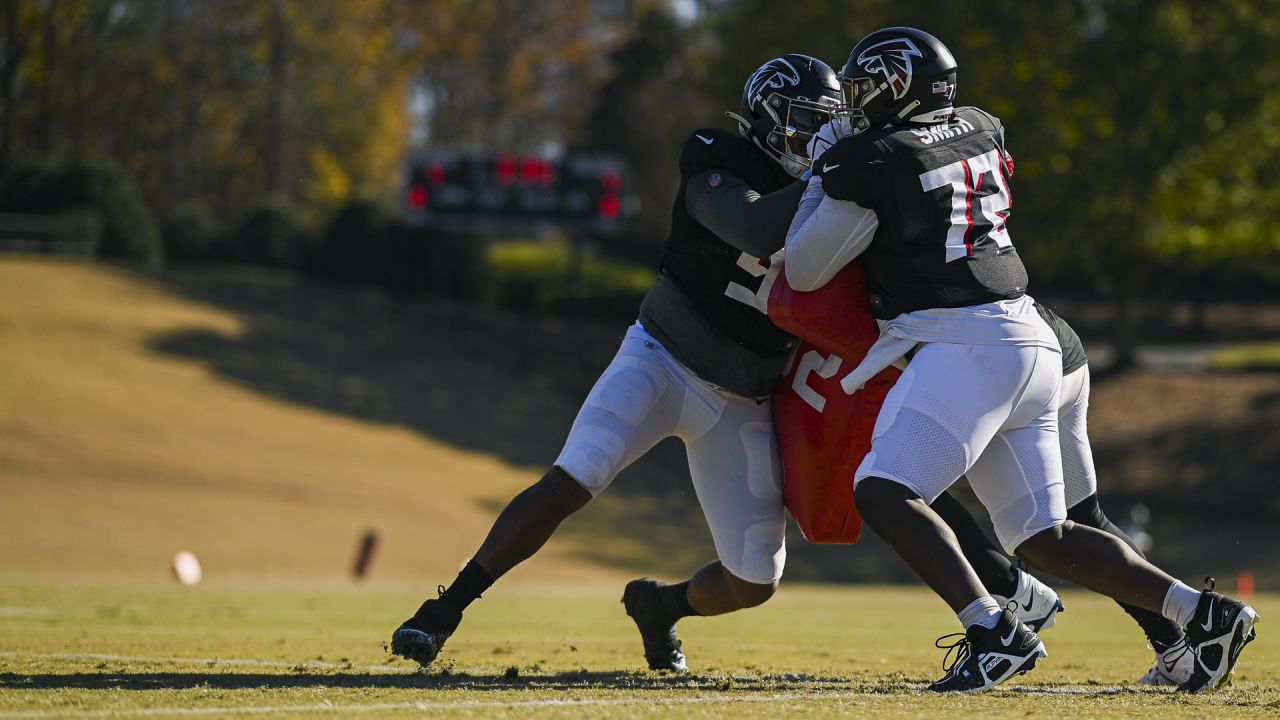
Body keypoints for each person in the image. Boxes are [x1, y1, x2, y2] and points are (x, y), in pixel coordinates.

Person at [782, 26, 1259, 693]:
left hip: (965, 344)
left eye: (865, 89)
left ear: (896, 86)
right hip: (1030, 337)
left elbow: (803, 271)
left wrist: (818, 181)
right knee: (1044, 538)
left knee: (885, 491)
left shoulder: (874, 158)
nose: (856, 106)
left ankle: (992, 630)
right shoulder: (979, 128)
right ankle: (1202, 613)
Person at [389, 54, 846, 674]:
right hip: (661, 358)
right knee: (573, 479)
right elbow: (754, 226)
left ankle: (661, 607)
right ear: (765, 119)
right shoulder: (718, 158)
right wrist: (837, 175)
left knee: (753, 580)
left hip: (745, 396)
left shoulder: (838, 193)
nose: (820, 136)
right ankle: (443, 611)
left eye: (831, 122)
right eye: (805, 120)